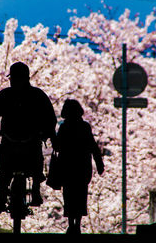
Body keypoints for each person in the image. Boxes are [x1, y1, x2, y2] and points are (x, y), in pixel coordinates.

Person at [0, 62, 57, 216]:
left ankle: (12, 194)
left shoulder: (6, 95)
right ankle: (7, 194)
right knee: (11, 168)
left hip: (20, 141)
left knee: (9, 169)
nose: (14, 81)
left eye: (16, 78)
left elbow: (49, 118)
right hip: (22, 140)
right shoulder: (36, 95)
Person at [55, 99, 104, 234]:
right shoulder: (85, 127)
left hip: (67, 166)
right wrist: (99, 163)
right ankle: (77, 224)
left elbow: (57, 146)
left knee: (69, 195)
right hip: (82, 166)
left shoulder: (64, 127)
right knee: (81, 195)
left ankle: (71, 224)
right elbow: (93, 146)